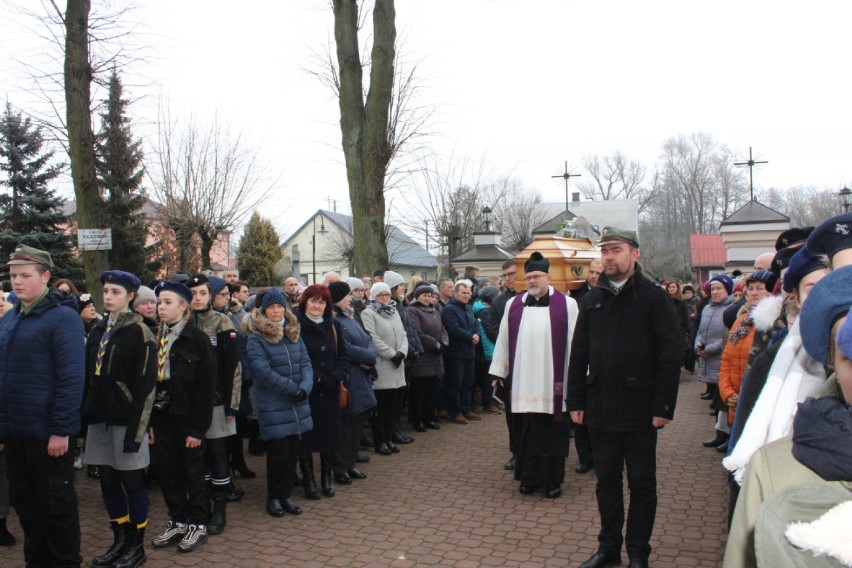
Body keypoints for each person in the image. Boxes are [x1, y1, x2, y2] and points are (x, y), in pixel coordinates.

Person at [567, 228, 682, 568]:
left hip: (640, 410)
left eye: (616, 250)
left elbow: (669, 354)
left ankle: (637, 552)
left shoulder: (653, 297)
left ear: (635, 254)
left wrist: (663, 406)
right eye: (605, 251)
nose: (609, 257)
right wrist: (575, 401)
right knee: (606, 482)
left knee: (642, 484)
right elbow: (578, 355)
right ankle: (608, 548)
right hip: (600, 407)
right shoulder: (592, 300)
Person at [724, 266, 852, 568]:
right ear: (831, 359)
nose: (755, 293)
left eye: (760, 288)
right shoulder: (774, 470)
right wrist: (725, 390)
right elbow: (733, 357)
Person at [0, 244, 85, 567]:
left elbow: (71, 378)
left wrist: (61, 430)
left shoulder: (62, 318)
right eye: (12, 276)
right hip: (17, 434)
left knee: (57, 510)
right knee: (28, 510)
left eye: (25, 275)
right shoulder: (11, 320)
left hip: (48, 438)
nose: (17, 282)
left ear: (46, 277)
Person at [83, 270, 157, 568]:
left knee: (132, 482)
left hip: (128, 421)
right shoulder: (99, 331)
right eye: (106, 291)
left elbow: (146, 386)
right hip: (100, 418)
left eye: (116, 292)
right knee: (108, 481)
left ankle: (136, 546)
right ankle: (120, 539)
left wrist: (137, 429)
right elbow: (89, 377)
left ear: (130, 296)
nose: (109, 297)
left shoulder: (141, 333)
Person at [490, 252, 578, 499]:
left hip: (553, 381)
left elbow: (575, 343)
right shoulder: (513, 304)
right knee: (526, 430)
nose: (531, 281)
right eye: (528, 277)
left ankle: (553, 481)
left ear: (549, 277)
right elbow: (504, 339)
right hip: (523, 381)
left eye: (536, 276)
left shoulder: (568, 305)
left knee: (552, 432)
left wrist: (577, 377)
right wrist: (498, 370)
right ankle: (528, 477)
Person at [149, 280, 216, 554]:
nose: (160, 308)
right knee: (168, 470)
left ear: (183, 306)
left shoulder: (196, 339)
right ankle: (177, 519)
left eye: (167, 302)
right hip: (163, 415)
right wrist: (150, 422)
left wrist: (197, 430)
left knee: (193, 471)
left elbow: (205, 388)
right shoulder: (157, 336)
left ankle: (198, 522)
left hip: (187, 418)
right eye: (159, 302)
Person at [245, 288, 313, 517]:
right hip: (274, 403)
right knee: (278, 454)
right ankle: (273, 497)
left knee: (293, 452)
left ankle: (286, 496)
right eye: (271, 307)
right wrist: (292, 389)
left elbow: (306, 362)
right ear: (264, 310)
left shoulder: (293, 332)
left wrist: (305, 386)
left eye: (279, 306)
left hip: (297, 403)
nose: (276, 311)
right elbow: (263, 372)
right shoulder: (256, 338)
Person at [186, 274, 242, 535]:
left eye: (202, 293)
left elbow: (233, 367)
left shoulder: (223, 322)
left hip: (217, 402)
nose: (197, 298)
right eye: (193, 293)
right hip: (186, 404)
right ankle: (201, 506)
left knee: (218, 455)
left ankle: (219, 509)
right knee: (196, 459)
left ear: (210, 295)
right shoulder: (181, 322)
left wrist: (232, 405)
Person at [296, 285, 349, 500]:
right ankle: (309, 480)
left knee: (329, 435)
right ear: (305, 302)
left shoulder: (333, 325)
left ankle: (326, 477)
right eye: (313, 301)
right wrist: (317, 377)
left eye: (321, 302)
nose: (317, 306)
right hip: (308, 389)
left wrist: (336, 376)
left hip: (330, 390)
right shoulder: (296, 326)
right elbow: (297, 357)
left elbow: (344, 354)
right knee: (306, 439)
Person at [328, 282, 377, 484]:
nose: (351, 298)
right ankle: (340, 466)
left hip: (360, 375)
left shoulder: (350, 317)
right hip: (349, 377)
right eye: (348, 295)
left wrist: (369, 356)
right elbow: (344, 348)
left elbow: (368, 340)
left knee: (356, 422)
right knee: (346, 425)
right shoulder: (334, 320)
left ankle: (350, 463)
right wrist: (367, 357)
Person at [361, 283, 408, 455]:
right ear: (373, 296)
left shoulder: (394, 311)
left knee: (392, 407)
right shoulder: (368, 313)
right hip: (382, 364)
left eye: (386, 295)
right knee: (380, 408)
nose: (384, 298)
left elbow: (403, 334)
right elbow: (372, 337)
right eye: (380, 295)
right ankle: (380, 441)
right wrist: (391, 354)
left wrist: (402, 352)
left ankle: (389, 438)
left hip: (397, 365)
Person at [696, 274, 735, 450]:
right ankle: (720, 433)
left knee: (724, 399)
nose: (715, 292)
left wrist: (708, 349)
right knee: (717, 400)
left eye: (719, 288)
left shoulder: (732, 308)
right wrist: (698, 345)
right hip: (707, 357)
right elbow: (700, 331)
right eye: (712, 288)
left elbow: (727, 337)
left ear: (728, 289)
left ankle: (727, 435)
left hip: (722, 358)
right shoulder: (707, 308)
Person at [488, 260, 520, 471]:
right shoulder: (500, 301)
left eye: (512, 274)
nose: (508, 279)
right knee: (512, 412)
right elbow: (492, 328)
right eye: (505, 275)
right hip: (511, 361)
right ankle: (516, 452)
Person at [406, 285, 448, 432]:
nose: (427, 298)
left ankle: (429, 418)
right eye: (424, 295)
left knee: (432, 391)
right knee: (419, 392)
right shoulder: (412, 311)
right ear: (417, 296)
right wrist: (435, 344)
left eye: (430, 295)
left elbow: (442, 329)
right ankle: (418, 420)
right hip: (422, 357)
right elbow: (416, 332)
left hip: (435, 358)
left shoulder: (434, 311)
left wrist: (444, 342)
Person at [441, 280, 481, 424]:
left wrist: (477, 334)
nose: (466, 296)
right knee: (455, 384)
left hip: (469, 352)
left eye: (468, 293)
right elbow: (453, 329)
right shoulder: (449, 310)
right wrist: (470, 337)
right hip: (456, 353)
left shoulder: (468, 308)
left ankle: (466, 409)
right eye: (463, 293)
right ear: (455, 293)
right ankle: (455, 411)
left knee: (468, 382)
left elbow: (476, 324)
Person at [472, 285, 502, 415]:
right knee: (488, 378)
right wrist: (500, 340)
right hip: (488, 348)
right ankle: (488, 402)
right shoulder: (484, 312)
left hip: (485, 348)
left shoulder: (479, 308)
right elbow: (490, 330)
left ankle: (490, 400)